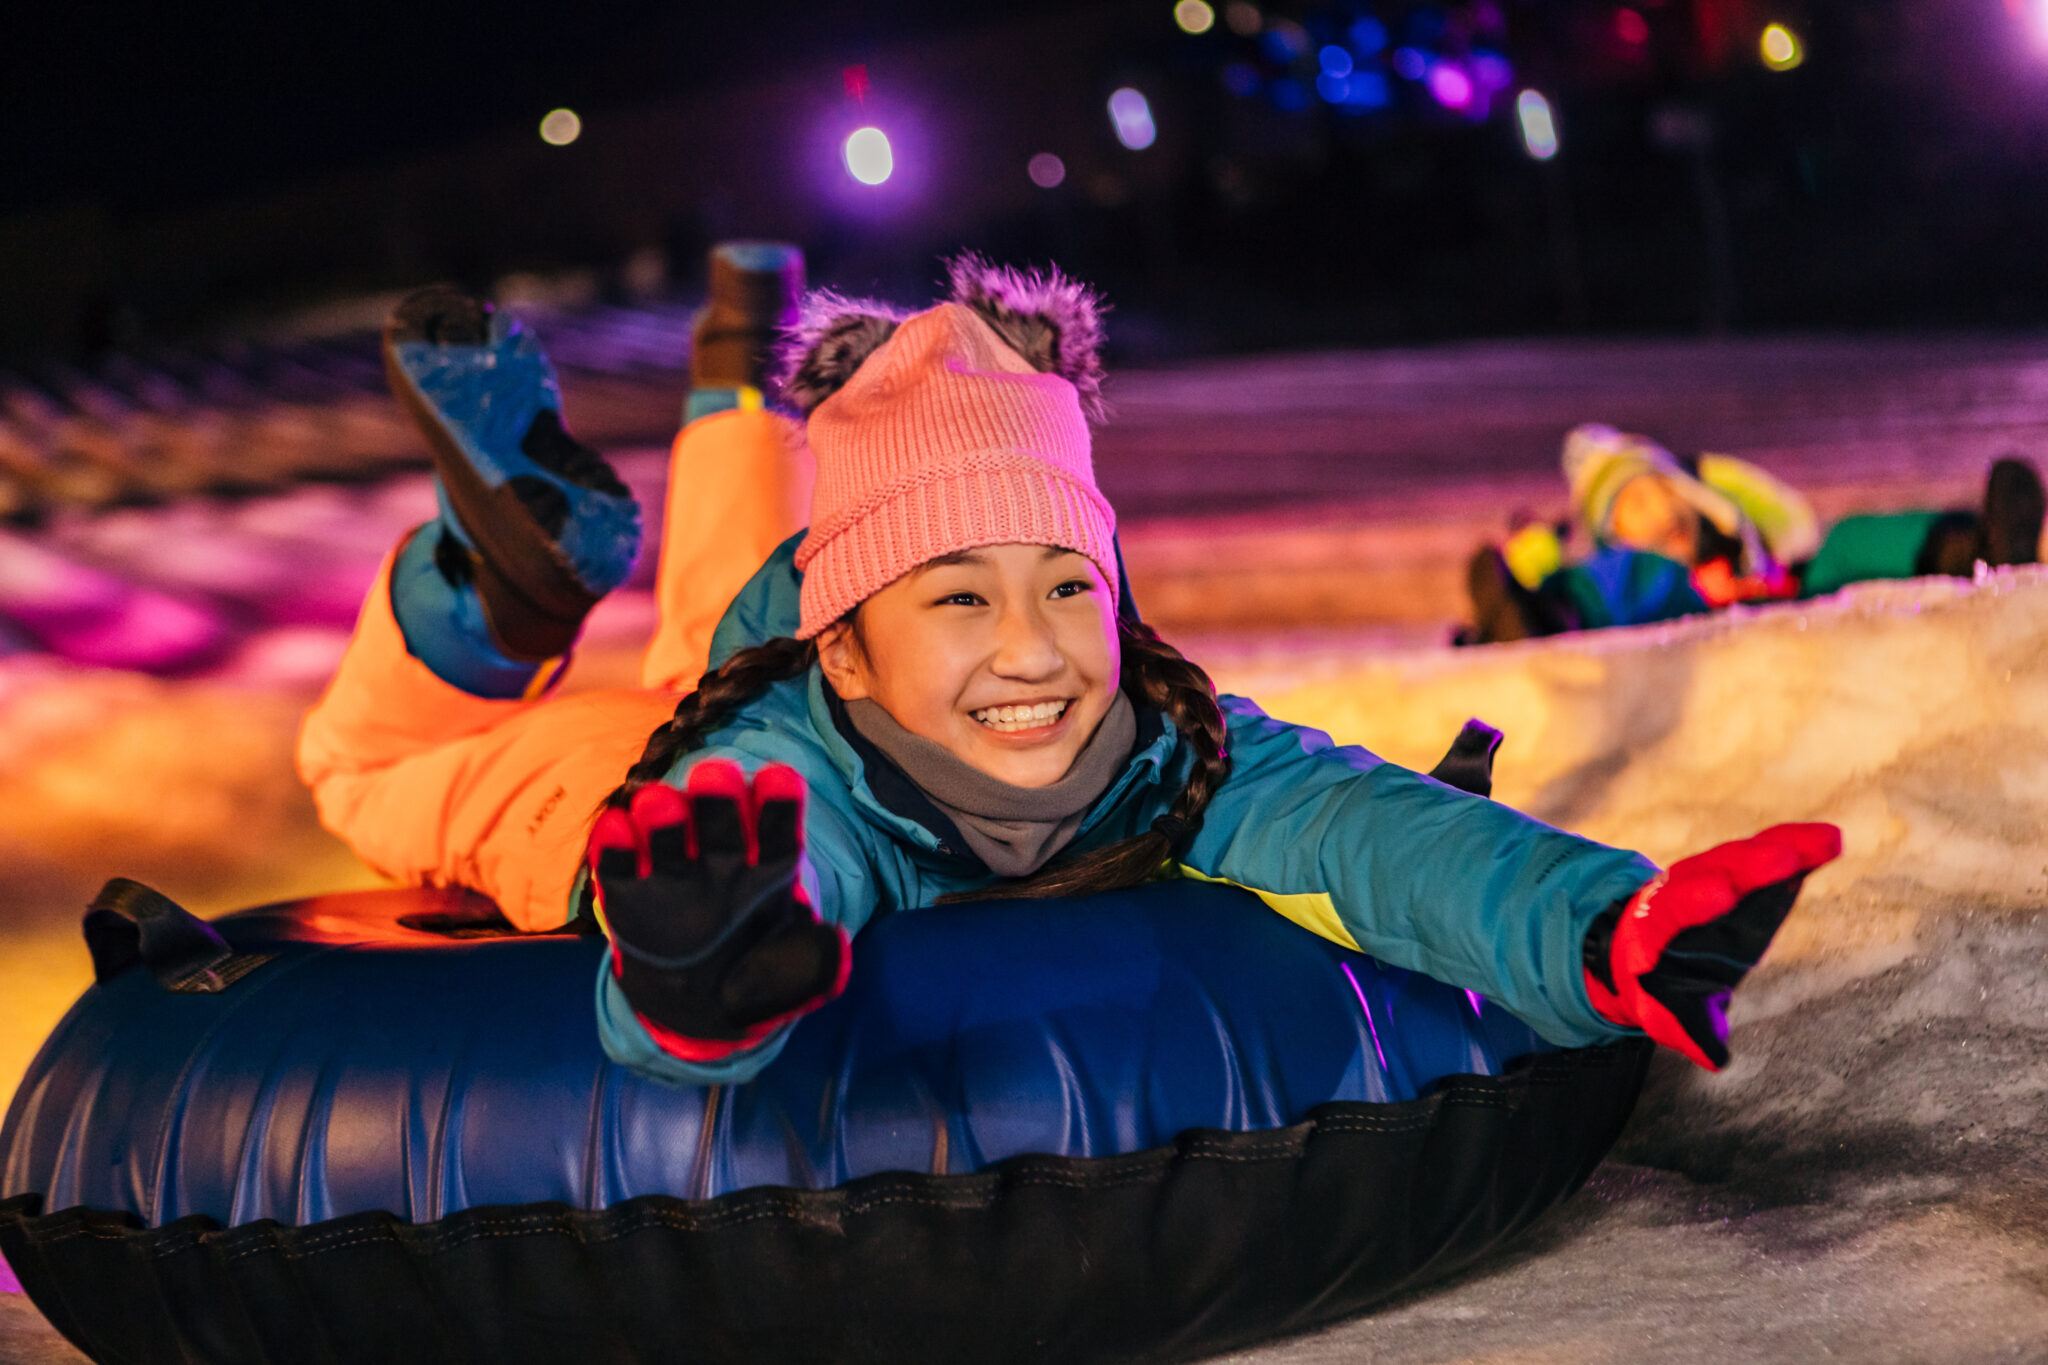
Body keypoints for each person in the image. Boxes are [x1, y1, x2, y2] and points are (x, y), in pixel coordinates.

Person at [299, 249, 1839, 1088]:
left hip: (806, 613)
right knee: (359, 777)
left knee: (720, 606)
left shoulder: (1157, 737)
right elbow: (770, 858)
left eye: (1066, 586)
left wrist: (1599, 924)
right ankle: (496, 601)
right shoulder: (783, 767)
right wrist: (704, 979)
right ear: (849, 646)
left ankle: (726, 375)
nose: (1037, 648)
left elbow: (1372, 829)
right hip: (618, 781)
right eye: (967, 595)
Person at [1463, 423, 2046, 643]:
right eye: (1625, 513)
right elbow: (1616, 574)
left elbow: (1771, 511)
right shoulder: (1653, 574)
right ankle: (1539, 619)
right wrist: (1529, 571)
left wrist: (1766, 566)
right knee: (1649, 578)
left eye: (1653, 495)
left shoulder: (1734, 541)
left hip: (1780, 600)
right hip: (1697, 620)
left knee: (1845, 544)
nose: (1650, 516)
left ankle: (1976, 545)